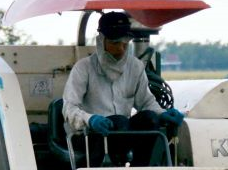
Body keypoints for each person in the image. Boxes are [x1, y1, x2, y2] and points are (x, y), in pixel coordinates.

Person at [62, 11, 185, 141]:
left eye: (125, 44)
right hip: (91, 136)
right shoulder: (83, 68)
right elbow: (69, 108)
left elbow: (146, 103)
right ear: (101, 41)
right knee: (119, 122)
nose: (120, 49)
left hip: (123, 134)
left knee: (149, 118)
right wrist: (89, 119)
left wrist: (162, 114)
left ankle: (145, 161)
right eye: (115, 43)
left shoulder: (135, 67)